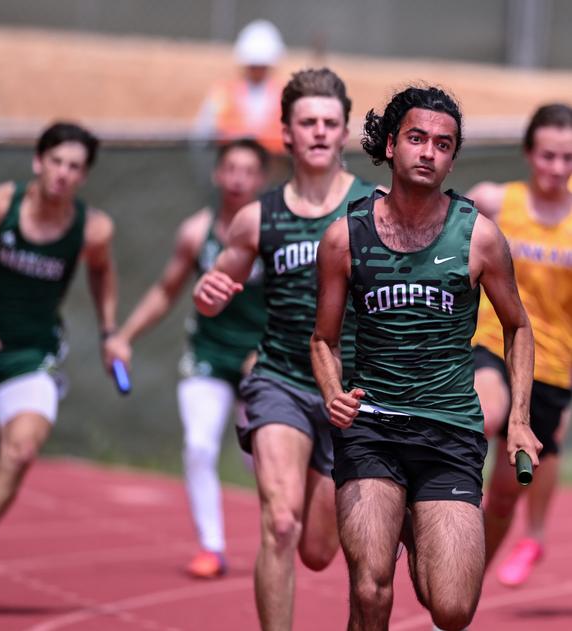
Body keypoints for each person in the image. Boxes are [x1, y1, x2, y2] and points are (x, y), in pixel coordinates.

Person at [310, 86, 542, 631]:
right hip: (373, 427)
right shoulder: (345, 238)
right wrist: (332, 394)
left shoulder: (479, 237)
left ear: (452, 157)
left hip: (449, 431)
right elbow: (323, 339)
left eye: (443, 143)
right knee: (370, 585)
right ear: (391, 145)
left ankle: (416, 523)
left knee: (453, 610)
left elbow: (518, 327)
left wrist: (519, 420)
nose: (428, 151)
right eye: (417, 138)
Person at [193, 67, 377, 631]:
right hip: (281, 379)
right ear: (287, 135)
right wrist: (208, 296)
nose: (320, 132)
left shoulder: (378, 209)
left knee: (320, 550)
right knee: (279, 523)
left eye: (330, 123)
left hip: (350, 393)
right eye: (308, 123)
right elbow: (212, 295)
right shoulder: (257, 218)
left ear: (344, 133)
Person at [0, 122, 117, 598]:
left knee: (21, 451)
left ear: (84, 176)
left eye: (75, 167)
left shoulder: (93, 229)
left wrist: (109, 332)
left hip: (31, 354)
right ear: (38, 163)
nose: (63, 174)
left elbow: (103, 273)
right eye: (57, 162)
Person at [104, 138, 270, 579]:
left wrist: (271, 347)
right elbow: (165, 291)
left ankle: (277, 535)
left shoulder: (275, 232)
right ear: (216, 174)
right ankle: (211, 548)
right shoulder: (196, 232)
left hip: (265, 360)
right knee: (199, 446)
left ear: (262, 179)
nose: (237, 178)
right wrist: (125, 336)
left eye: (247, 170)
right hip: (208, 357)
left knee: (265, 460)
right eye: (229, 168)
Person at [466, 103, 572, 587]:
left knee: (506, 494)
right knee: (488, 416)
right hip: (492, 342)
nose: (556, 168)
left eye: (567, 159)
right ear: (529, 153)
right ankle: (422, 491)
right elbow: (434, 223)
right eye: (548, 155)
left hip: (552, 369)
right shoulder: (493, 200)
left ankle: (466, 587)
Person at [193, 19, 286, 154]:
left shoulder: (285, 96)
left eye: (261, 65)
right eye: (253, 65)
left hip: (275, 168)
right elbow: (202, 134)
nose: (257, 70)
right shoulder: (222, 94)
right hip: (231, 167)